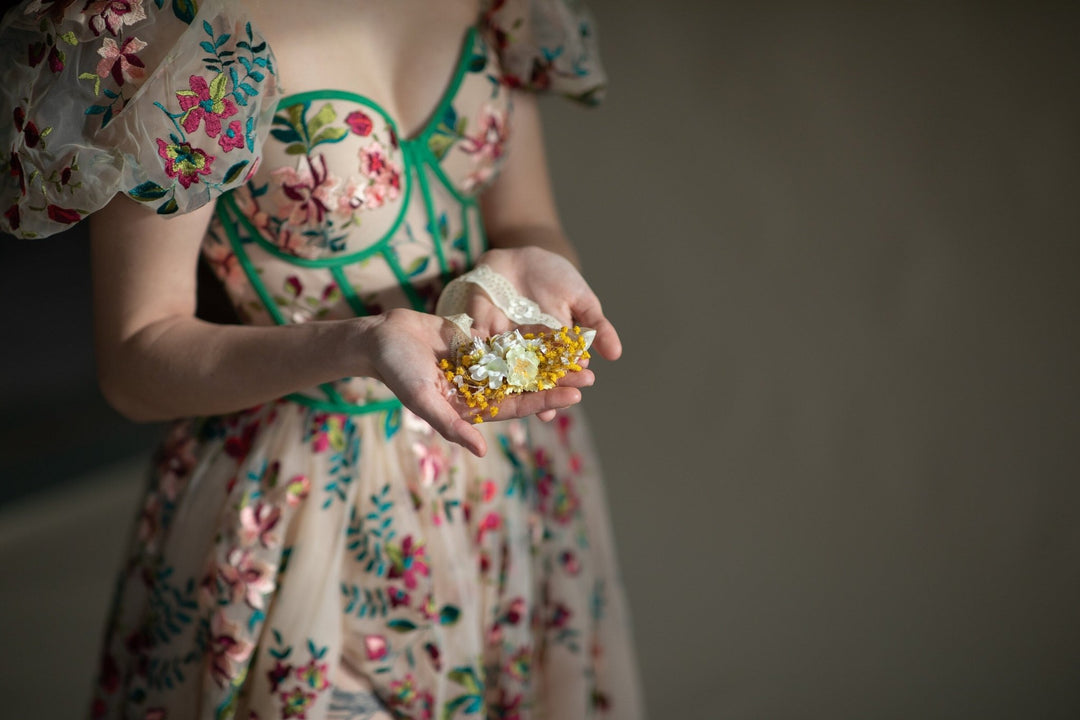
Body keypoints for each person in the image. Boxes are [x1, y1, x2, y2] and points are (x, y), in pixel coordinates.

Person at [1, 0, 643, 717]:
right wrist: (358, 343)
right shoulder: (170, 29)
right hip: (302, 508)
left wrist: (514, 275)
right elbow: (136, 356)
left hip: (503, 472)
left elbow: (528, 217)